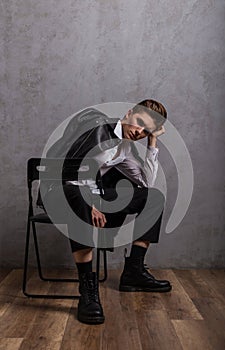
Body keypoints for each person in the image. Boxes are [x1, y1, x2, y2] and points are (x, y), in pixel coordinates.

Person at [42, 99, 172, 325]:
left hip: (93, 196)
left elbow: (146, 183)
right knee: (78, 196)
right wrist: (91, 202)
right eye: (139, 123)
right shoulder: (97, 129)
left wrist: (153, 141)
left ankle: (134, 270)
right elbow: (68, 170)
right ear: (129, 113)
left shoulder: (125, 147)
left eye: (145, 131)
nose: (138, 132)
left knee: (154, 198)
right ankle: (87, 289)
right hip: (63, 193)